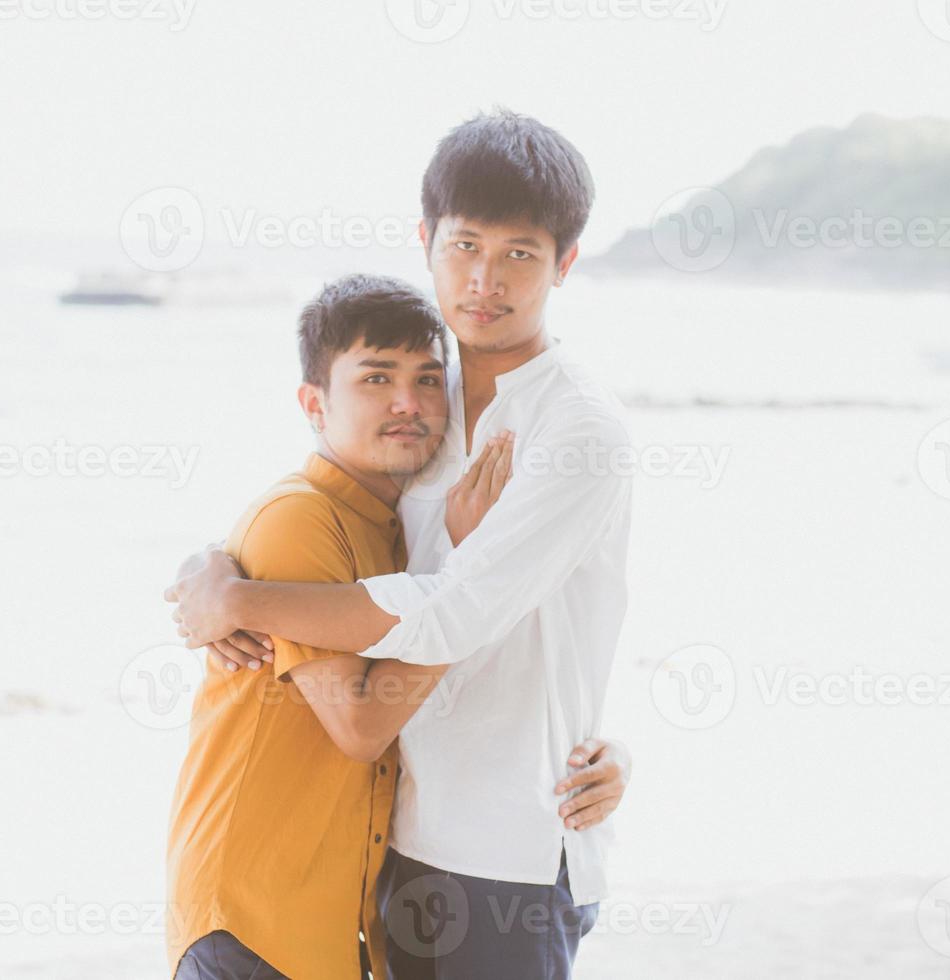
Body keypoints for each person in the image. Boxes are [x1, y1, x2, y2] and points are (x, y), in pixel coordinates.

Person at [167, 109, 633, 979]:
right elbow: (326, 514)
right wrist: (216, 562)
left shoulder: (578, 431)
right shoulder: (428, 402)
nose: (485, 279)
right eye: (465, 246)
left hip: (509, 857)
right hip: (395, 844)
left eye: (520, 254)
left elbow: (458, 610)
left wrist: (242, 601)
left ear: (565, 264)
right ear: (426, 242)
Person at [167, 274, 515, 979]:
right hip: (249, 924)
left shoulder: (391, 528)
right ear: (314, 404)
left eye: (426, 379)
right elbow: (361, 723)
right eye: (376, 377)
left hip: (319, 932)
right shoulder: (299, 519)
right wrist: (469, 570)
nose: (407, 403)